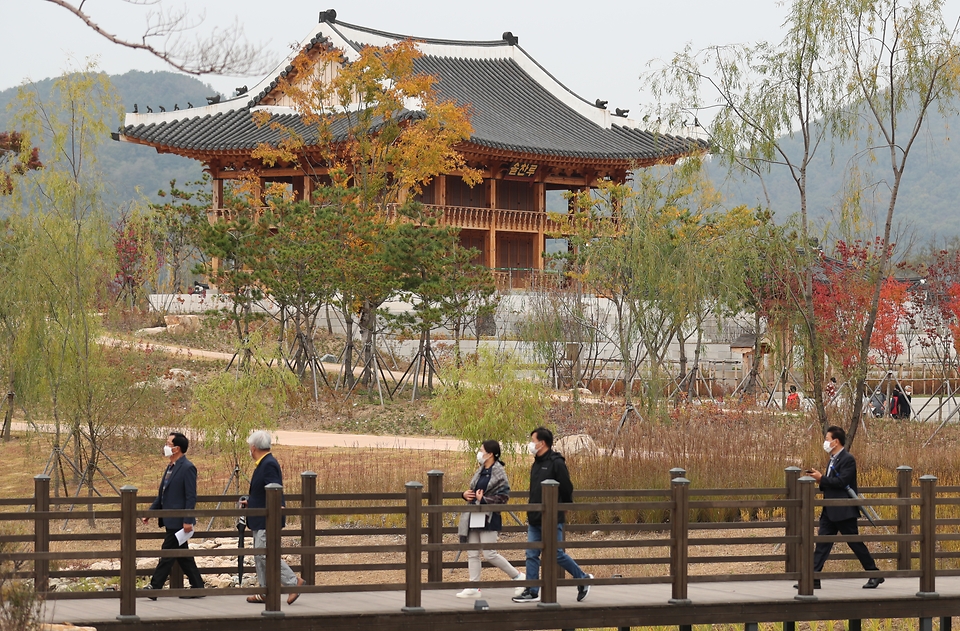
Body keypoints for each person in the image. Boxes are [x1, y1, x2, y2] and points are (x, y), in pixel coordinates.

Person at [513, 427, 593, 604]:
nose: (531, 444)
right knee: (531, 553)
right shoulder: (536, 463)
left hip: (551, 517)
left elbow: (566, 487)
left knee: (555, 553)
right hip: (535, 516)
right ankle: (532, 590)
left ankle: (582, 578)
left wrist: (565, 506)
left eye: (533, 441)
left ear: (542, 443)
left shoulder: (556, 462)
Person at [799, 425, 884, 590]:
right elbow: (829, 483)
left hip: (843, 510)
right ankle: (813, 577)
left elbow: (842, 482)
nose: (825, 442)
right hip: (829, 509)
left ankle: (874, 573)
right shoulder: (832, 459)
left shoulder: (847, 459)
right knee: (822, 543)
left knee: (855, 543)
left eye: (827, 439)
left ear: (835, 441)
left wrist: (821, 479)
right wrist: (820, 479)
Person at [455, 440, 525, 598]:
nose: (479, 453)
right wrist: (465, 495)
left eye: (482, 450)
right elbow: (473, 489)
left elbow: (504, 496)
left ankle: (518, 577)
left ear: (490, 453)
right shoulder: (481, 470)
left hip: (489, 516)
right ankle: (474, 587)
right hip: (473, 514)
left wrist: (485, 499)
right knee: (472, 552)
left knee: (489, 553)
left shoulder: (499, 471)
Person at [241, 430, 305, 605]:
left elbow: (275, 488)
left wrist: (279, 506)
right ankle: (265, 591)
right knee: (259, 554)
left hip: (267, 519)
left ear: (253, 447)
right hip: (260, 516)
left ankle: (293, 582)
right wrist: (251, 503)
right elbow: (264, 492)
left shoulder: (268, 464)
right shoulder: (263, 463)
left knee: (264, 554)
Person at [141, 432, 205, 599]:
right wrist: (150, 513)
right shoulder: (170, 467)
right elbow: (162, 495)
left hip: (178, 521)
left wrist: (188, 519)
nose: (166, 446)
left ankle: (154, 588)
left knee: (167, 553)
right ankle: (198, 586)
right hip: (169, 519)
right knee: (183, 556)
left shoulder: (187, 467)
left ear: (177, 448)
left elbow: (191, 496)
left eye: (168, 443)